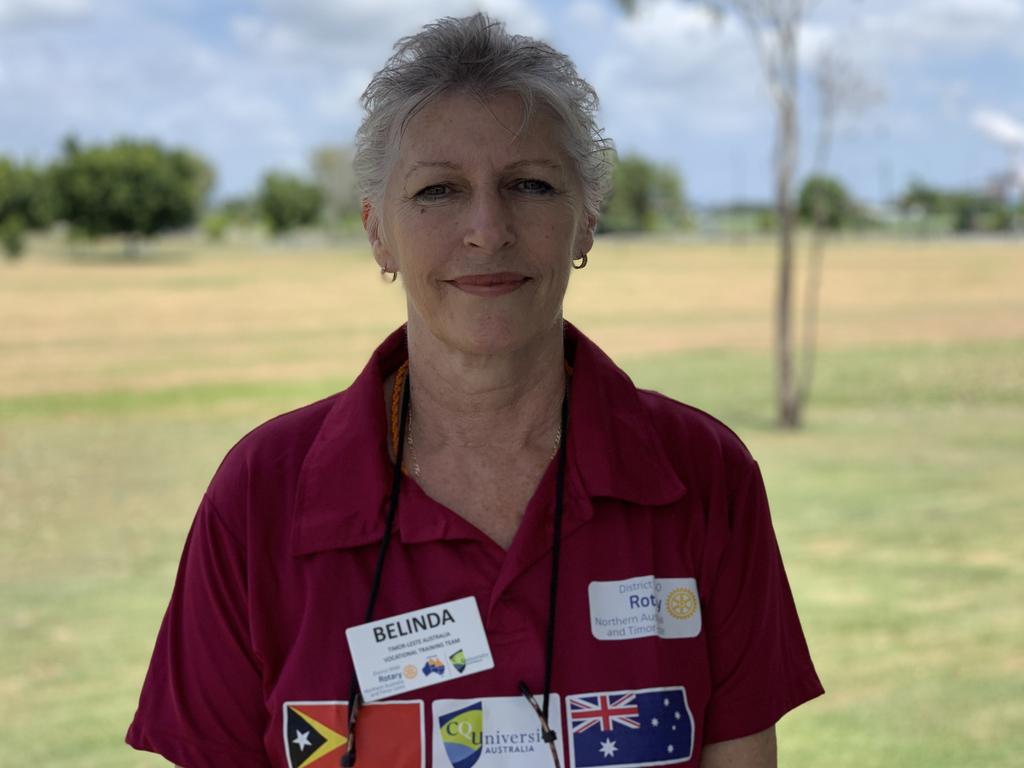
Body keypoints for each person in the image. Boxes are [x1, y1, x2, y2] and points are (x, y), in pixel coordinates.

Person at [126, 13, 823, 768]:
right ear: (377, 232)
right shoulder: (262, 493)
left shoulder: (701, 474)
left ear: (585, 221)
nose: (487, 229)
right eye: (437, 191)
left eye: (530, 184)